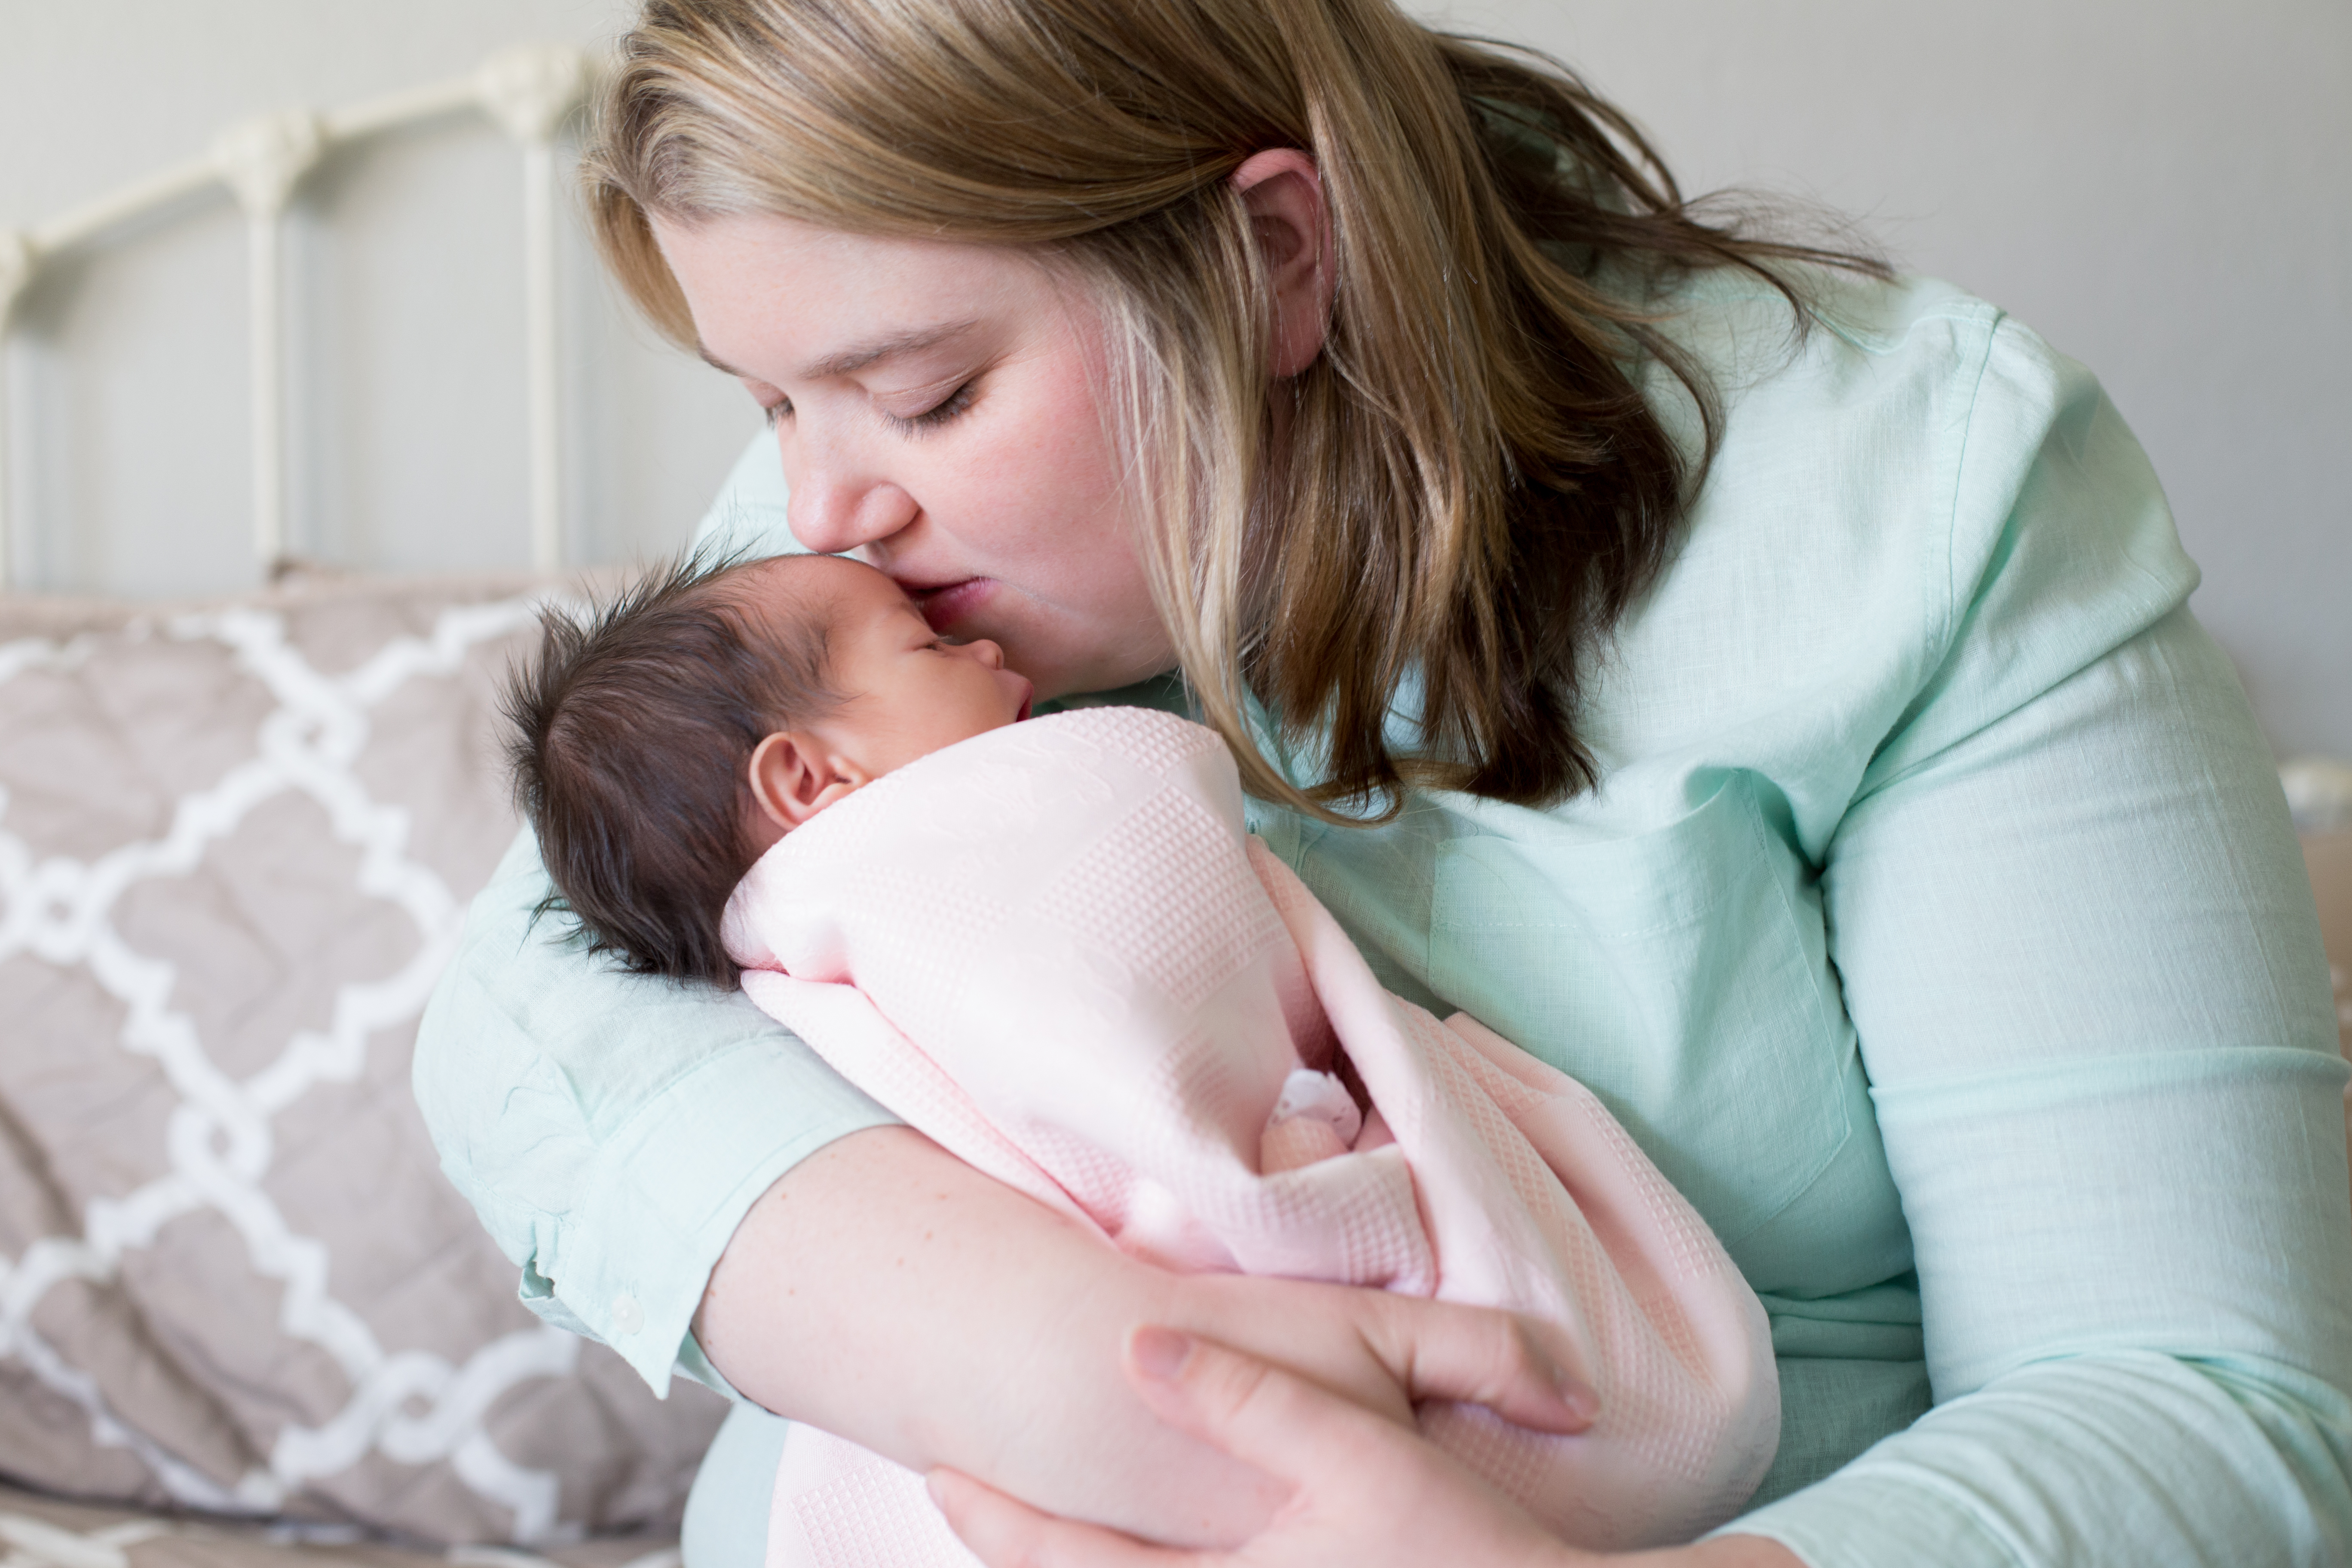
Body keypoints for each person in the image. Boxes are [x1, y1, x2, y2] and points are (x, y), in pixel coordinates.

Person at [411, 2, 2352, 1565]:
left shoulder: (1913, 495)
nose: (823, 497)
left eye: (927, 395)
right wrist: (1087, 1382)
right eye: (770, 404)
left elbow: (2200, 1396)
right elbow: (539, 1007)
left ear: (1268, 258)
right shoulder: (874, 532)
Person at [498, 547, 1782, 1556]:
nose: (985, 643)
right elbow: (1130, 1051)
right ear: (808, 779)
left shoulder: (810, 928)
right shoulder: (973, 860)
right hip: (1225, 1337)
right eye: (929, 643)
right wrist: (1302, 1164)